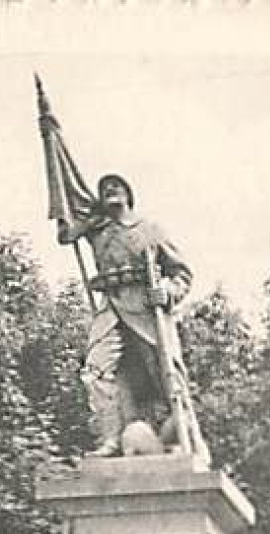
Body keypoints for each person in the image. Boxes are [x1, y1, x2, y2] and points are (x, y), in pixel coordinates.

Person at [57, 174, 192, 456]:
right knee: (95, 370)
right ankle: (111, 438)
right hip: (111, 308)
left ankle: (180, 436)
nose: (110, 191)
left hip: (146, 308)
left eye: (116, 186)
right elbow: (66, 234)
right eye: (104, 189)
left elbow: (181, 273)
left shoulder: (150, 229)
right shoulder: (98, 231)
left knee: (166, 374)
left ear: (129, 194)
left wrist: (168, 292)